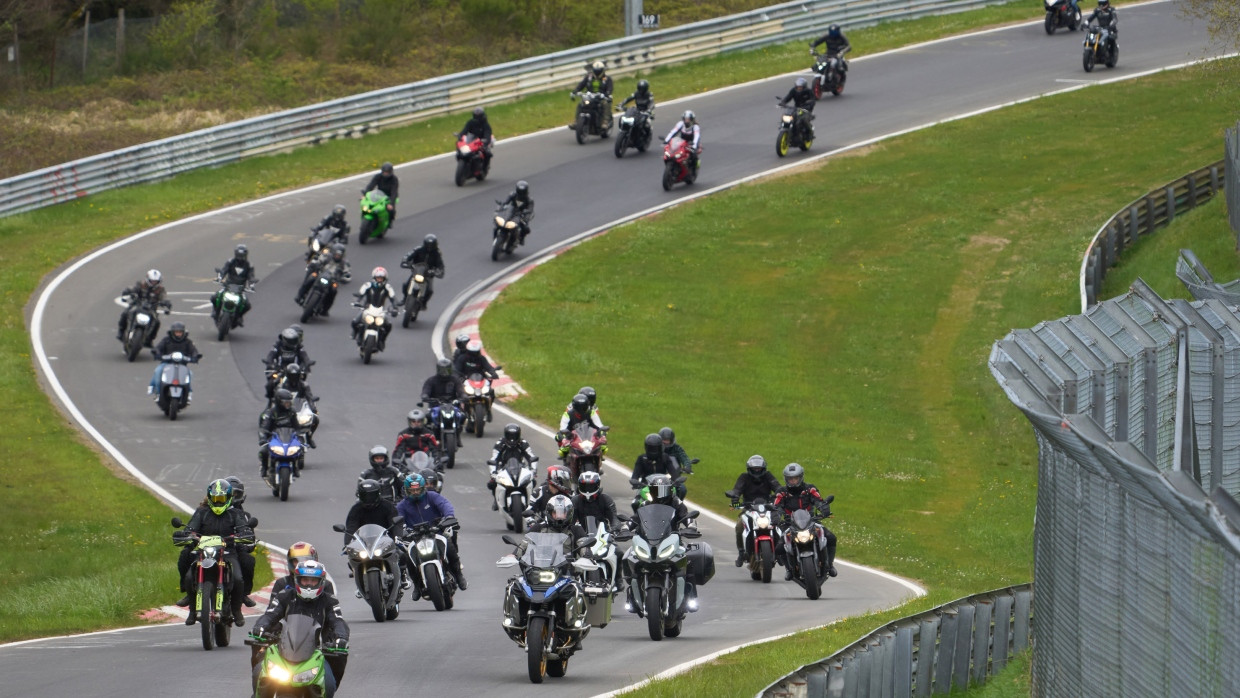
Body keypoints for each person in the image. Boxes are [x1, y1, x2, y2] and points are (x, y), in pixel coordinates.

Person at [249, 560, 349, 697]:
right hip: (283, 650)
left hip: (317, 653)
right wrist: (260, 627)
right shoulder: (284, 595)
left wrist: (341, 637)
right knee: (259, 673)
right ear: (297, 580)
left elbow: (338, 621)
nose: (309, 584)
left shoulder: (330, 600)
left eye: (313, 581)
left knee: (329, 684)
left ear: (321, 582)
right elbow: (270, 614)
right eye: (305, 580)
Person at [173, 479, 254, 626]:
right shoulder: (201, 513)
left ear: (228, 498)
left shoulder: (235, 514)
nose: (218, 502)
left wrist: (243, 535)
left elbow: (243, 529)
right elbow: (191, 528)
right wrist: (186, 534)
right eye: (215, 499)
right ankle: (192, 608)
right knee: (189, 573)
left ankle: (237, 610)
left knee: (237, 578)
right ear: (210, 498)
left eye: (221, 499)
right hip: (203, 552)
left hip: (228, 552)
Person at [396, 473, 467, 589]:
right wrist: (402, 530)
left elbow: (445, 505)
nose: (415, 493)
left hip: (436, 532)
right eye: (412, 490)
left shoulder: (432, 496)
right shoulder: (402, 505)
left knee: (449, 547)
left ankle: (459, 576)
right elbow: (398, 520)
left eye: (418, 490)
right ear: (406, 490)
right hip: (415, 537)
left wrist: (448, 516)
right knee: (409, 557)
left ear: (423, 488)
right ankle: (417, 586)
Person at [772, 462, 837, 579]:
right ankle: (789, 569)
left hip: (810, 522)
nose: (793, 481)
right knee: (779, 548)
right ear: (786, 479)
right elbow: (776, 506)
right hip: (789, 523)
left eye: (795, 478)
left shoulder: (810, 489)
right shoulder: (781, 492)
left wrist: (824, 508)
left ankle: (829, 565)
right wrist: (776, 516)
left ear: (801, 477)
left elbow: (818, 500)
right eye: (790, 479)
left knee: (831, 537)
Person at [727, 455, 782, 566]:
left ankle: (779, 553)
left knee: (778, 525)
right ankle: (742, 552)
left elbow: (778, 487)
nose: (757, 471)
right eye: (754, 469)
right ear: (749, 469)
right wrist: (735, 498)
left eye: (759, 468)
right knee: (739, 527)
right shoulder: (744, 477)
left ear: (763, 468)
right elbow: (737, 489)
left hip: (767, 508)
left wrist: (780, 494)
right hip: (748, 508)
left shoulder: (768, 476)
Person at [259, 388, 311, 487]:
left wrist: (300, 436)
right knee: (263, 451)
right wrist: (263, 437)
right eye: (286, 402)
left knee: (299, 449)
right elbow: (265, 427)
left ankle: (295, 468)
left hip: (288, 437)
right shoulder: (272, 412)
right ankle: (265, 469)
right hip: (274, 438)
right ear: (279, 402)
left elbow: (297, 427)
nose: (288, 404)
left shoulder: (291, 412)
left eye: (289, 402)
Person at [513, 494, 590, 560]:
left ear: (569, 513)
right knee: (519, 577)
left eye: (562, 513)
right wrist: (513, 555)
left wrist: (587, 555)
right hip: (539, 570)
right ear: (549, 512)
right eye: (555, 513)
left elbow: (584, 546)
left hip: (568, 572)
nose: (559, 516)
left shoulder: (576, 530)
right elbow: (524, 545)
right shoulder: (538, 528)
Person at [223, 475, 258, 606]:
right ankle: (191, 593)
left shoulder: (243, 515)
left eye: (236, 494)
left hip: (234, 550)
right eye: (230, 493)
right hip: (213, 549)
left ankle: (243, 594)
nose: (232, 497)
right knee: (189, 556)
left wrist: (245, 544)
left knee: (248, 561)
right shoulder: (210, 511)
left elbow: (250, 536)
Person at [485, 423, 540, 504]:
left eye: (514, 436)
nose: (512, 439)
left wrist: (533, 470)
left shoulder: (523, 443)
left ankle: (530, 501)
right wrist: (493, 473)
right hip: (503, 468)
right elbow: (494, 459)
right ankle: (496, 500)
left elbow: (531, 457)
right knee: (492, 483)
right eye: (510, 436)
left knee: (532, 481)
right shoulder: (499, 444)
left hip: (521, 467)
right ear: (506, 435)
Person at [148, 321, 199, 399]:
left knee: (189, 374)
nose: (178, 334)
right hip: (166, 364)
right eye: (176, 332)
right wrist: (157, 353)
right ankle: (156, 391)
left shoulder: (188, 342)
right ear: (172, 332)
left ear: (183, 332)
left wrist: (195, 357)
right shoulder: (166, 340)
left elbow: (193, 351)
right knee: (158, 371)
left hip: (182, 365)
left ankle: (188, 392)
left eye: (180, 332)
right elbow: (158, 348)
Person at [350, 266, 398, 349]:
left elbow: (393, 299)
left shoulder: (388, 288)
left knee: (388, 325)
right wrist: (357, 302)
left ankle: (382, 340)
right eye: (378, 278)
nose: (379, 279)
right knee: (355, 322)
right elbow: (360, 295)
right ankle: (355, 333)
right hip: (367, 309)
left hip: (380, 311)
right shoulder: (367, 285)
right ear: (374, 277)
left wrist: (395, 308)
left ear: (385, 278)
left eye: (381, 278)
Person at [630, 433, 684, 502]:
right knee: (635, 503)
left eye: (655, 448)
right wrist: (635, 482)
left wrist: (677, 480)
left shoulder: (665, 457)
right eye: (651, 448)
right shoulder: (641, 459)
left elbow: (673, 472)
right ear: (646, 447)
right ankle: (637, 513)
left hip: (664, 488)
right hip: (646, 488)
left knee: (676, 501)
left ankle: (679, 511)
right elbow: (635, 475)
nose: (653, 450)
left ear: (660, 447)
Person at [117, 269, 167, 341]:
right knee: (125, 313)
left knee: (157, 322)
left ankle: (150, 339)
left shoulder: (161, 289)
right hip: (137, 305)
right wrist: (128, 291)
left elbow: (163, 297)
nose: (153, 283)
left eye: (155, 281)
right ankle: (121, 332)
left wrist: (166, 303)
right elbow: (133, 289)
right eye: (152, 281)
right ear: (147, 279)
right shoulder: (140, 284)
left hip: (151, 309)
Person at [264, 327, 313, 401]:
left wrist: (307, 363)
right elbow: (271, 355)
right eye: (292, 341)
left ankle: (307, 401)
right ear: (285, 340)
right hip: (280, 370)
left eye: (295, 340)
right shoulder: (278, 345)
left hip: (295, 371)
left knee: (304, 385)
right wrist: (270, 363)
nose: (294, 342)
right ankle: (271, 402)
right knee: (270, 385)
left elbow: (304, 356)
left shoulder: (298, 346)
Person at [213, 244, 257, 324]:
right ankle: (216, 312)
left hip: (240, 289)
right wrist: (220, 277)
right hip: (228, 286)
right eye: (239, 255)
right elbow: (224, 270)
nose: (240, 258)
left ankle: (239, 316)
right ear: (236, 254)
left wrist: (251, 285)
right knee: (215, 297)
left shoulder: (249, 265)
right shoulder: (231, 261)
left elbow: (251, 277)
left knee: (247, 305)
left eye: (242, 255)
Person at [399, 234, 446, 309]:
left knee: (430, 291)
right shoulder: (418, 249)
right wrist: (405, 261)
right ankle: (404, 298)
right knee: (406, 284)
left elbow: (440, 265)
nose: (429, 247)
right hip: (417, 271)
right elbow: (408, 255)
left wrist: (438, 272)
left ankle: (424, 303)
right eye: (428, 245)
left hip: (428, 274)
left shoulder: (437, 254)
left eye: (431, 245)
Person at [573, 470, 620, 535]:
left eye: (590, 486)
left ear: (597, 485)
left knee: (614, 545)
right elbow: (570, 521)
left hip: (603, 535)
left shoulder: (606, 499)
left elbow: (614, 518)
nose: (587, 489)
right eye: (585, 486)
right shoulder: (575, 500)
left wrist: (615, 529)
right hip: (580, 537)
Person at [572, 60, 615, 129]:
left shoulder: (607, 79)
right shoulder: (588, 77)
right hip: (590, 96)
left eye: (599, 70)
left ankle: (605, 121)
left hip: (601, 97)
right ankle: (576, 122)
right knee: (581, 104)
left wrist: (607, 94)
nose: (597, 72)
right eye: (596, 70)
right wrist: (575, 91)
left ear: (602, 70)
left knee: (605, 104)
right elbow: (581, 84)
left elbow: (610, 88)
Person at [497, 180, 534, 245]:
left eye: (523, 192)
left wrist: (526, 213)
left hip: (522, 213)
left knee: (526, 228)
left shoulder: (529, 200)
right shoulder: (512, 194)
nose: (521, 194)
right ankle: (498, 233)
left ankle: (521, 238)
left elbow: (530, 210)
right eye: (520, 192)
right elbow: (506, 202)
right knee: (499, 220)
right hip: (512, 209)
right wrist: (502, 206)